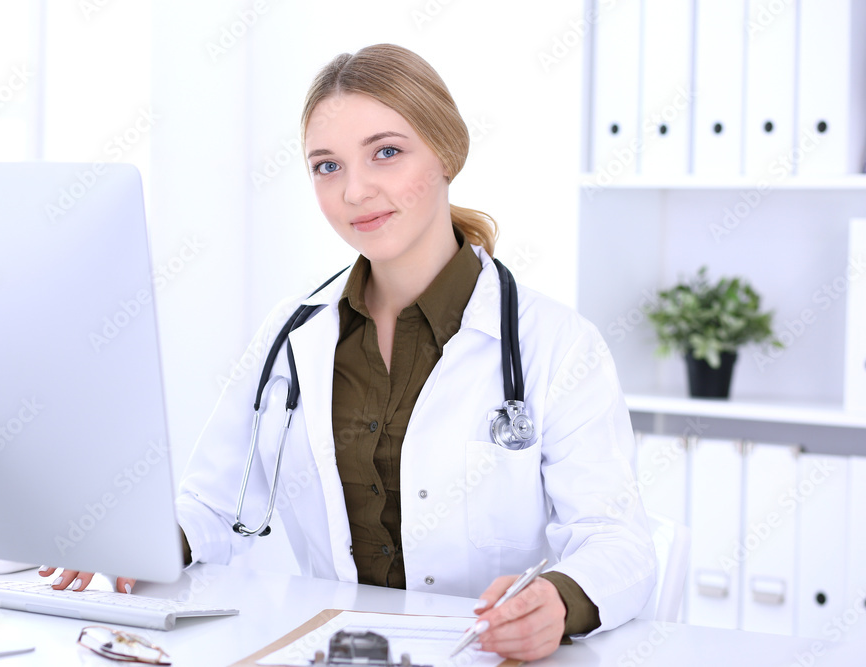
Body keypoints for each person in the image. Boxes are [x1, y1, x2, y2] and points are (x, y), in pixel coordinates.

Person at [43, 43, 656, 662]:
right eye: (326, 166)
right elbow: (212, 503)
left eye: (385, 153)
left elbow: (616, 541)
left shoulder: (555, 343)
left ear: (447, 153)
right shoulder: (293, 336)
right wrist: (134, 543)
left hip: (484, 655)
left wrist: (557, 600)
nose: (355, 191)